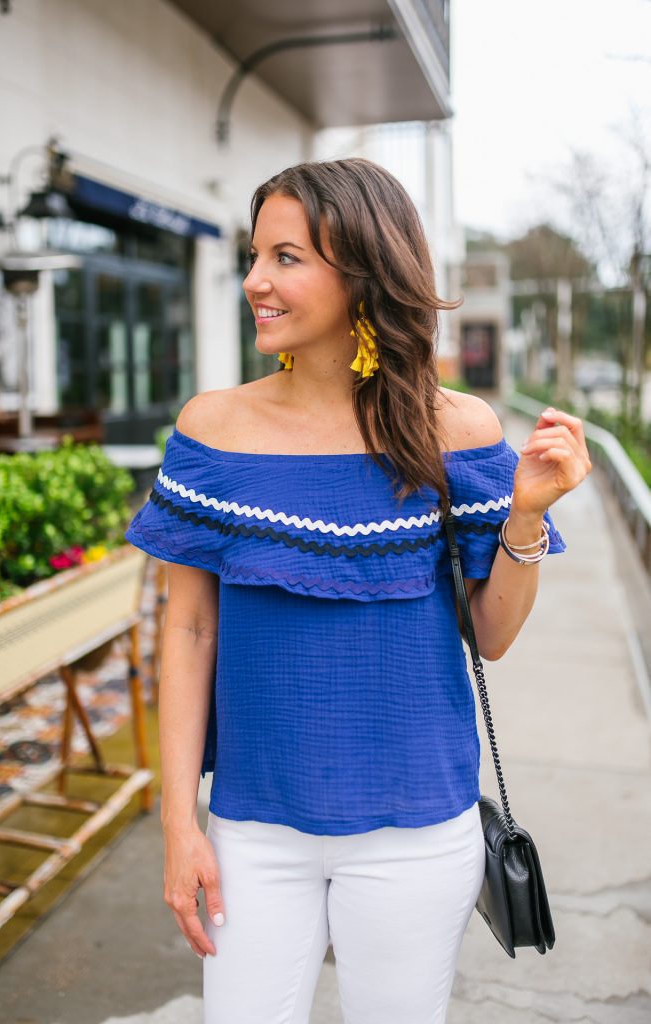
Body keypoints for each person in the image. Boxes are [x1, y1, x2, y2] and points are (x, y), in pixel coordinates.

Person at [125, 158, 591, 1024]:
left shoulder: (459, 430)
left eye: (287, 257)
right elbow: (187, 632)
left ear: (365, 271)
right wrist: (177, 820)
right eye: (255, 255)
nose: (256, 281)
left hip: (418, 831)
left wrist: (524, 513)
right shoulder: (211, 430)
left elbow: (491, 635)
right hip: (253, 830)